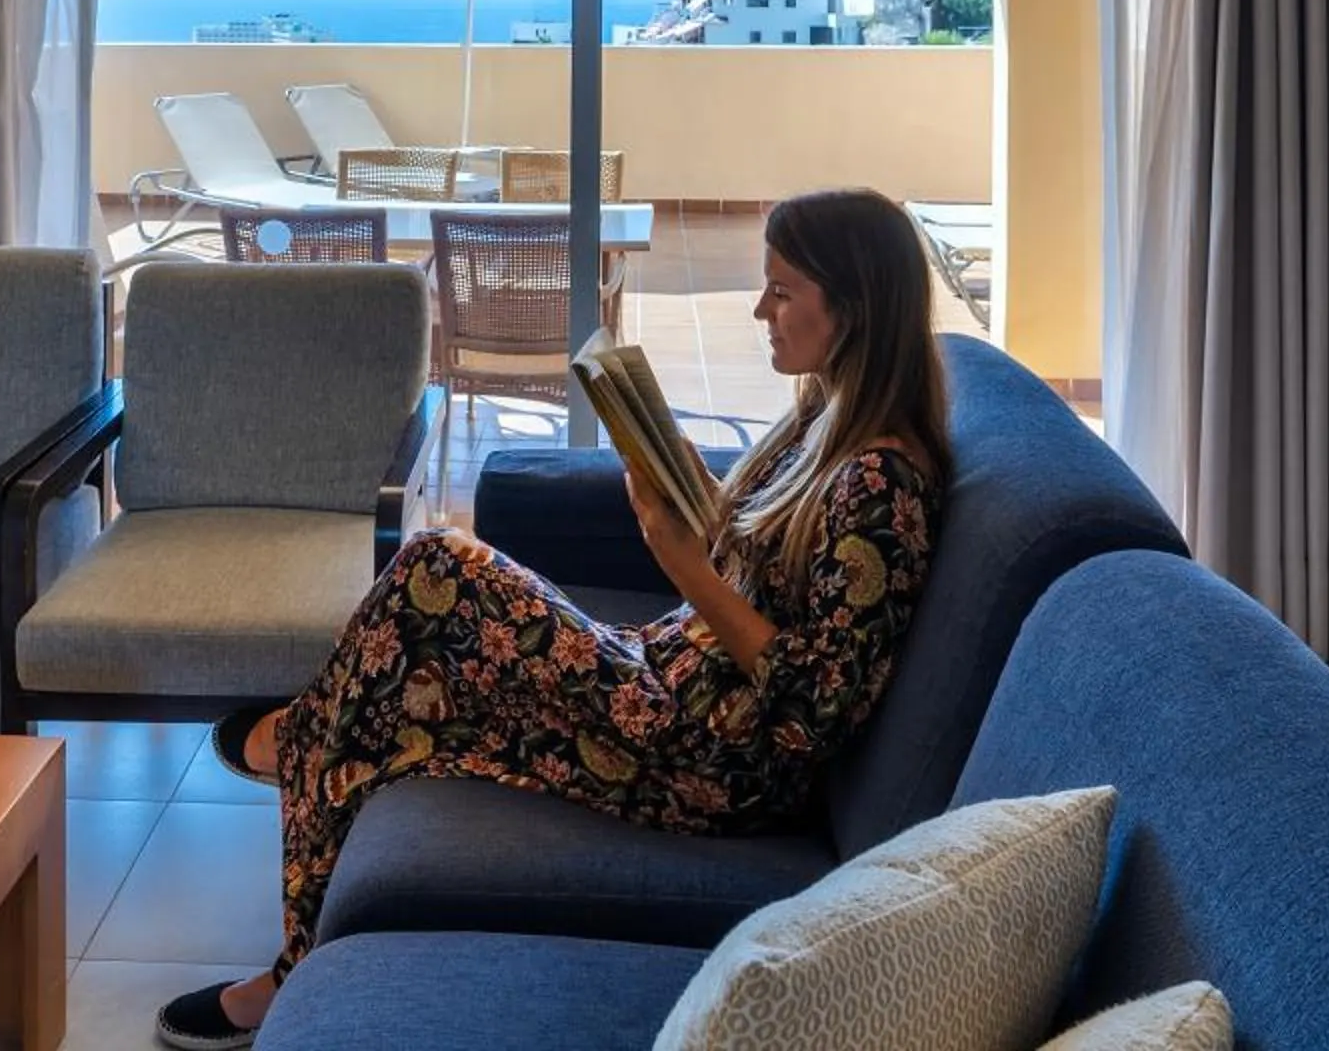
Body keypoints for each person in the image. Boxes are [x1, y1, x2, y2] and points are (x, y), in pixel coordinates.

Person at [156, 187, 953, 1050]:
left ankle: (296, 804)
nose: (761, 310)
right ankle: (306, 813)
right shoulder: (826, 419)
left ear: (856, 307)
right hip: (670, 683)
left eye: (784, 292)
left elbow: (813, 705)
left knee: (435, 573)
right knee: (411, 681)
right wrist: (689, 485)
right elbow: (775, 568)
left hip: (703, 754)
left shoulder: (882, 487)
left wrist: (683, 563)